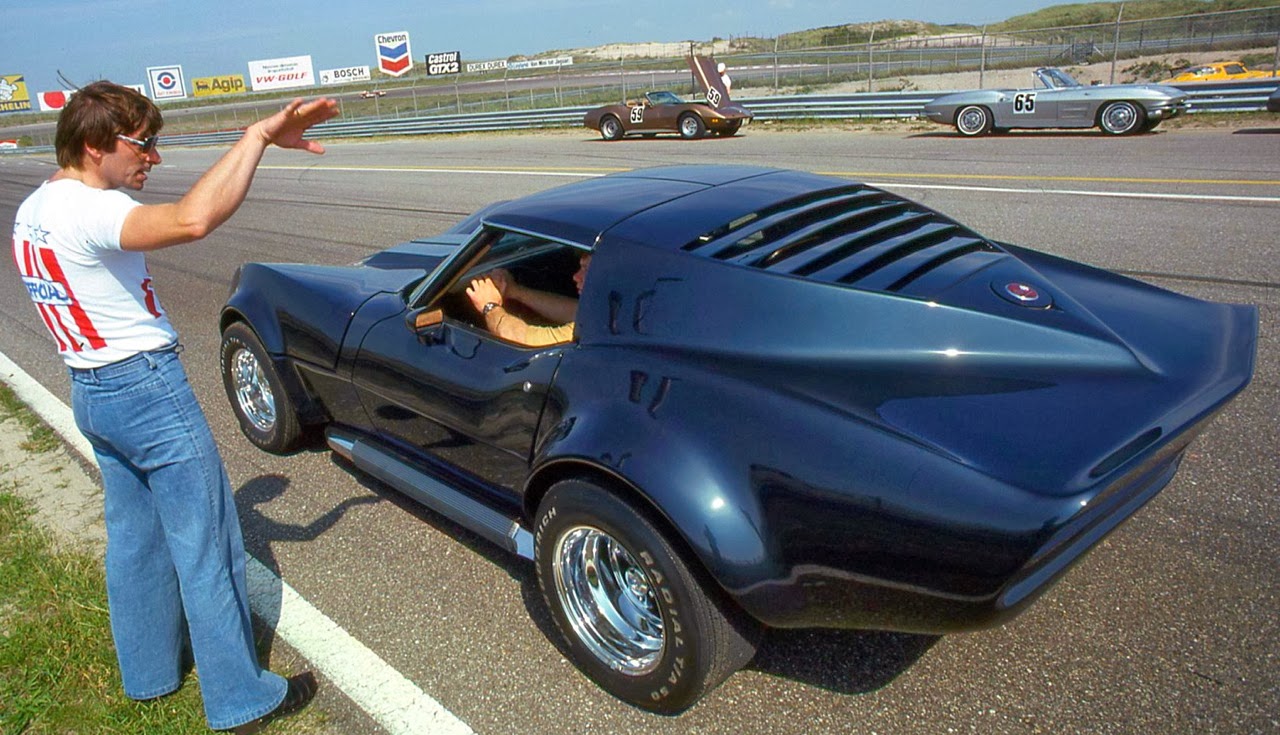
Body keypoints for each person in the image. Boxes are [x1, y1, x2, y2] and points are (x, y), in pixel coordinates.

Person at [10, 81, 338, 733]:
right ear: (97, 145)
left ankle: (149, 673)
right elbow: (192, 219)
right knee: (207, 542)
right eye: (144, 143)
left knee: (134, 538)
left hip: (92, 390)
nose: (152, 157)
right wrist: (258, 137)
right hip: (144, 388)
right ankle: (240, 698)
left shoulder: (37, 206)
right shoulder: (89, 212)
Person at [465, 252, 591, 347]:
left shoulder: (595, 326)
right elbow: (576, 311)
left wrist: (489, 306)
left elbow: (521, 340)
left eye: (587, 270)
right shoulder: (604, 307)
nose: (576, 276)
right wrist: (514, 291)